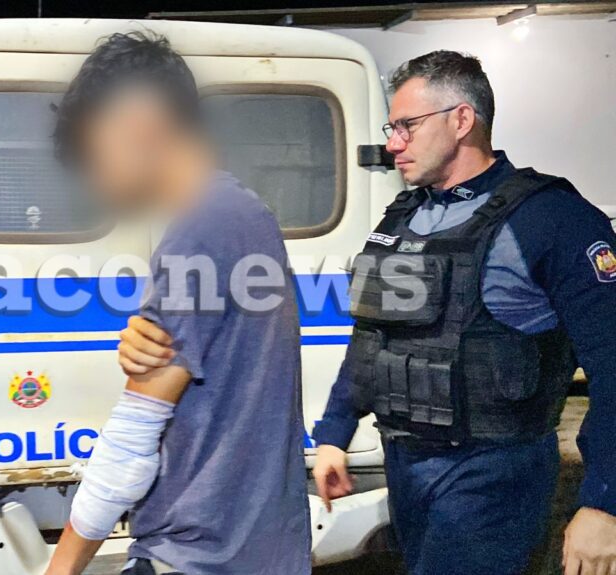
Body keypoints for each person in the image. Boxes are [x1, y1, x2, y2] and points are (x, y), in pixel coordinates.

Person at [119, 50, 616, 575]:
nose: (393, 143)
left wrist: (603, 501)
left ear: (462, 120)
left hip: (494, 474)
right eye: (391, 128)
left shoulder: (551, 220)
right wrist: (334, 433)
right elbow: (373, 339)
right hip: (407, 470)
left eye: (407, 126)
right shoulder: (404, 217)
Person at [43, 32, 311, 575]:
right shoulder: (242, 213)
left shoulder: (201, 229)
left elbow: (130, 444)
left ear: (138, 124)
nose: (93, 178)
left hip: (197, 552)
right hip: (255, 546)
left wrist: (61, 568)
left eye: (94, 153)